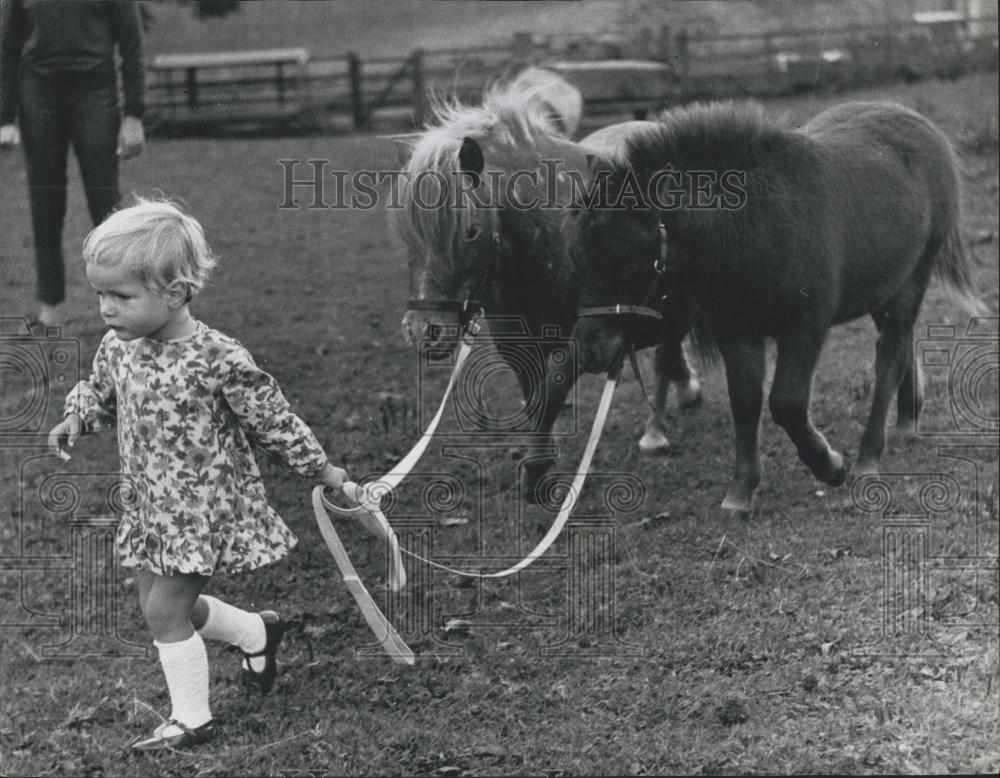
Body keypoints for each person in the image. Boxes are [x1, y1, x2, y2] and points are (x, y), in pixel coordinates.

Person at [47, 198, 349, 751]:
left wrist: (324, 470)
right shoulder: (121, 346)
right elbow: (100, 390)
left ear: (176, 293)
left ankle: (192, 719)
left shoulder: (217, 357)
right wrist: (77, 415)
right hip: (147, 502)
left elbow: (272, 419)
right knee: (158, 606)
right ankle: (258, 631)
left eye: (121, 296)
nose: (105, 310)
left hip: (202, 509)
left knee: (165, 611)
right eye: (99, 295)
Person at [0, 0, 147, 328]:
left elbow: (131, 41)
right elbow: (8, 46)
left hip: (95, 93)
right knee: (46, 204)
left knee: (105, 204)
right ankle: (50, 307)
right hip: (39, 94)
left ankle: (122, 304)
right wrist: (5, 117)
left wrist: (134, 113)